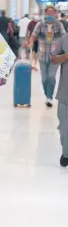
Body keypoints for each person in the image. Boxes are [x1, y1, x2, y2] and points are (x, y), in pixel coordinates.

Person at [29, 5, 66, 108]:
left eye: (52, 13)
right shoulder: (40, 25)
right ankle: (47, 95)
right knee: (44, 79)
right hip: (42, 55)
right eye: (48, 13)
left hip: (55, 56)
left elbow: (64, 36)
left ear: (55, 14)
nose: (50, 15)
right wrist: (31, 42)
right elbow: (33, 35)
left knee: (51, 77)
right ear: (45, 13)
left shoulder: (59, 25)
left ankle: (49, 97)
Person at [51, 35, 68, 167]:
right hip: (65, 94)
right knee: (64, 131)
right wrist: (66, 56)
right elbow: (53, 59)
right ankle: (66, 153)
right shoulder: (65, 39)